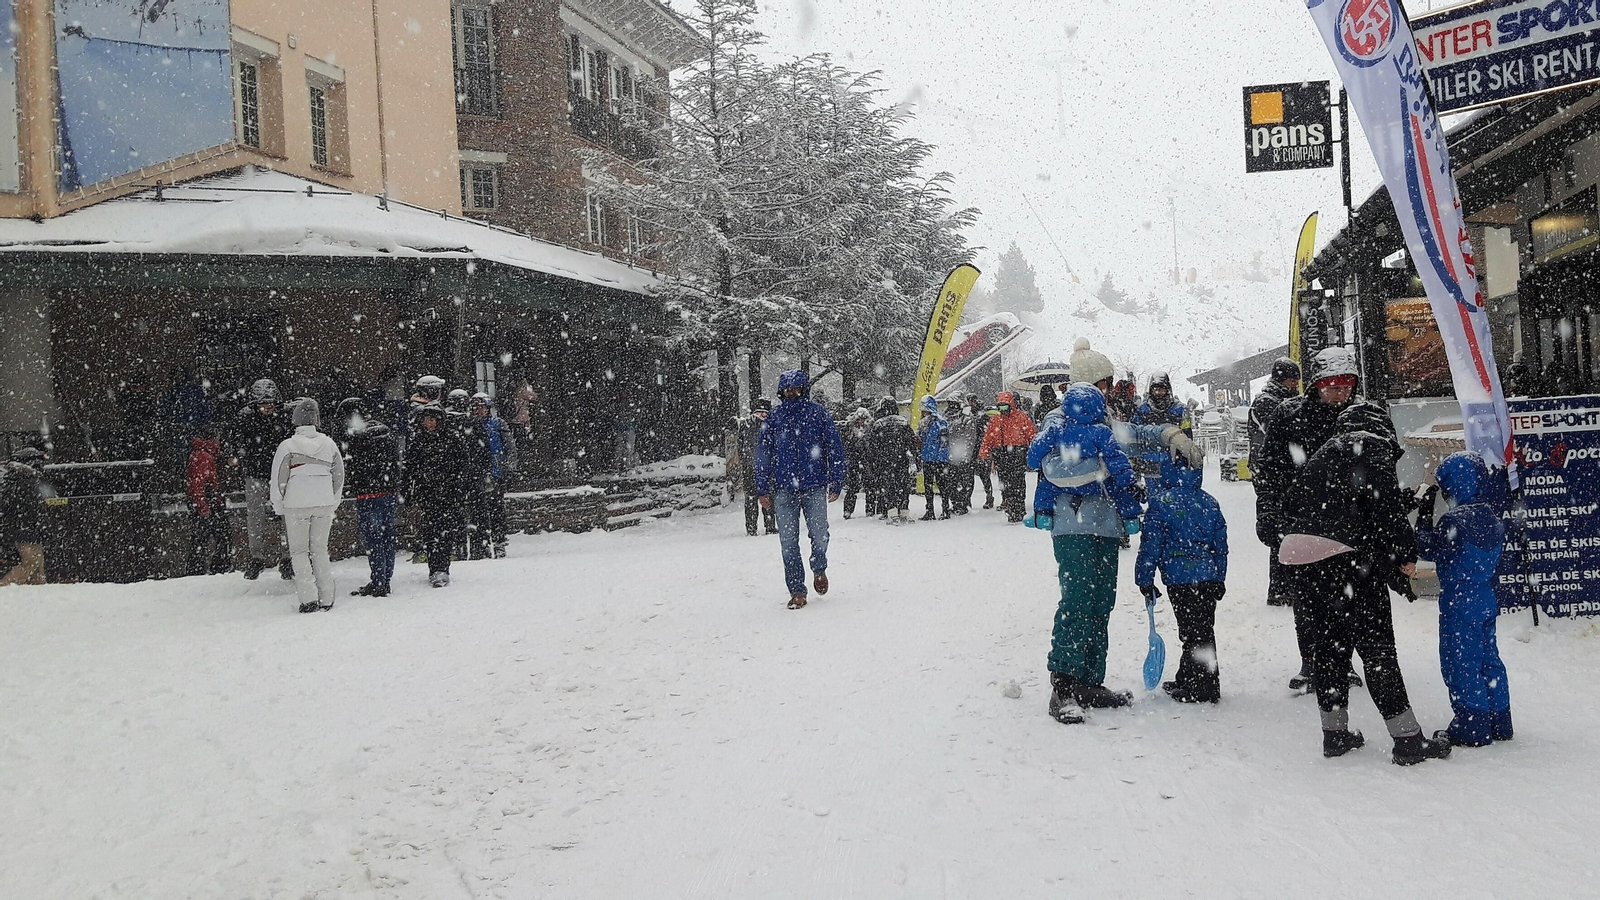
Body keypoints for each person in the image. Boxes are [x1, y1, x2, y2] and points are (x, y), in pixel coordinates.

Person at [1278, 403, 1451, 765]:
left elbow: (1349, 506)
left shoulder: (1326, 454)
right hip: (1345, 563)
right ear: (1380, 428)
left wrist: (1401, 502)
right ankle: (1407, 740)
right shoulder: (1370, 446)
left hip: (1301, 559)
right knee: (1377, 652)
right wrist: (1404, 556)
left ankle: (1335, 734)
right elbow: (1384, 514)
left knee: (1331, 648)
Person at [1254, 346, 1375, 692]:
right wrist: (1268, 510)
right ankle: (1311, 660)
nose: (1339, 393)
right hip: (1302, 522)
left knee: (1346, 598)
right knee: (1307, 599)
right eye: (1331, 385)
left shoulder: (1364, 416)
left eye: (1345, 385)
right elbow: (1270, 470)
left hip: (1351, 523)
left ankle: (1341, 660)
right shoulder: (1289, 416)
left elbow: (1380, 471)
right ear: (1316, 384)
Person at [1027, 383, 1139, 723]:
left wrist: (1129, 506)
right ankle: (1063, 684)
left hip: (1105, 527)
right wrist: (1098, 468)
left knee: (1102, 600)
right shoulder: (1055, 422)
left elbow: (1124, 467)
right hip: (1072, 524)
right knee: (1078, 598)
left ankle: (1090, 679)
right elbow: (1049, 467)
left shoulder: (1106, 426)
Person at [1416, 451, 1514, 748]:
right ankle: (1500, 720)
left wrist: (1423, 515)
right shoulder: (1490, 516)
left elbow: (1427, 549)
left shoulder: (1454, 521)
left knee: (1461, 662)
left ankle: (1471, 726)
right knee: (1488, 661)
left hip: (1460, 600)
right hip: (1485, 596)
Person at [1135, 453, 1228, 704]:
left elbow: (1151, 545)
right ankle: (1190, 676)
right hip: (1207, 577)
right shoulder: (1209, 502)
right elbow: (1220, 544)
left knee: (1192, 631)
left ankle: (1202, 686)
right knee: (1202, 628)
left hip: (1179, 579)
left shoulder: (1161, 503)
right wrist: (1220, 575)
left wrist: (1144, 578)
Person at [754, 370, 846, 609]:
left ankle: (819, 567)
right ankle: (796, 590)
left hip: (814, 485)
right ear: (781, 392)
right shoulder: (774, 419)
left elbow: (834, 446)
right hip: (784, 488)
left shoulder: (818, 414)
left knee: (819, 533)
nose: (792, 393)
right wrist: (762, 487)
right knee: (788, 541)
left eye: (796, 389)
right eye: (788, 389)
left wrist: (837, 479)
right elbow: (762, 454)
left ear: (804, 389)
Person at [271, 399, 346, 614]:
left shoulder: (287, 446)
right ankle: (327, 597)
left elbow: (279, 480)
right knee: (320, 550)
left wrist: (278, 505)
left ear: (295, 421)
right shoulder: (329, 444)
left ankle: (308, 599)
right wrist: (333, 500)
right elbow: (338, 476)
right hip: (323, 503)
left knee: (299, 552)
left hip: (296, 505)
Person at [1248, 357, 1301, 607]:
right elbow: (1282, 434)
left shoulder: (1283, 401)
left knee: (1286, 528)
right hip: (1271, 475)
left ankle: (1285, 586)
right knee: (1279, 529)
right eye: (1293, 380)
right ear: (1282, 380)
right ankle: (1280, 588)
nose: (1296, 384)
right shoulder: (1267, 403)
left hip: (1280, 473)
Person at [230, 378, 292, 581]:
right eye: (263, 405)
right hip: (256, 473)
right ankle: (256, 557)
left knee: (287, 516)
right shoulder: (245, 418)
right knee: (255, 516)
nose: (267, 408)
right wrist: (235, 453)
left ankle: (287, 557)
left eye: (270, 404)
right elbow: (234, 440)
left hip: (280, 474)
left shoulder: (283, 417)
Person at [339, 398, 401, 597]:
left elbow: (353, 466)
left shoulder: (357, 437)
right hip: (388, 492)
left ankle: (379, 581)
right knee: (387, 537)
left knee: (373, 539)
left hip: (367, 493)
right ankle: (385, 578)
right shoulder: (385, 432)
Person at [405, 403, 468, 588]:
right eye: (426, 420)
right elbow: (410, 468)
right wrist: (409, 492)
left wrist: (458, 488)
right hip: (428, 494)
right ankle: (434, 568)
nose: (429, 424)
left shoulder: (452, 440)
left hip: (448, 494)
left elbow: (463, 467)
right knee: (431, 533)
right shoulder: (419, 441)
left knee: (446, 532)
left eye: (432, 420)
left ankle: (443, 568)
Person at [467, 393, 517, 559]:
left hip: (495, 472)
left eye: (481, 407)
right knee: (477, 512)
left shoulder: (497, 424)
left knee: (496, 510)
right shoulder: (469, 425)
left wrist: (508, 467)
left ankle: (499, 542)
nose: (479, 410)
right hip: (476, 473)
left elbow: (509, 447)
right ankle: (481, 544)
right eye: (476, 407)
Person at [979, 391, 1036, 523]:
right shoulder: (996, 420)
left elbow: (1031, 435)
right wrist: (984, 452)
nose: (1002, 410)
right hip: (1002, 453)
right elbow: (988, 438)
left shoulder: (1021, 417)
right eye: (1000, 408)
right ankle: (1010, 506)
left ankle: (1019, 507)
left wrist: (1033, 450)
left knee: (1018, 482)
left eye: (1005, 407)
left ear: (1011, 404)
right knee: (1005, 482)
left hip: (1017, 453)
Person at [185, 427, 232, 575]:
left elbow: (195, 484)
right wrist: (204, 504)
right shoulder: (205, 457)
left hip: (204, 500)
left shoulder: (199, 455)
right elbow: (198, 484)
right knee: (221, 535)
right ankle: (218, 567)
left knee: (201, 537)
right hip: (208, 499)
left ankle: (197, 569)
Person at [1132, 371, 1191, 488]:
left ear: (1168, 390)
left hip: (1174, 461)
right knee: (1154, 498)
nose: (1158, 393)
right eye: (1155, 390)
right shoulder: (1142, 410)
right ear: (1151, 390)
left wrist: (1187, 455)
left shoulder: (1180, 409)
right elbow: (1135, 435)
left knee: (1174, 497)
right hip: (1150, 463)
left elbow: (1187, 434)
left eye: (1162, 389)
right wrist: (1136, 460)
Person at [0, 447, 48, 586]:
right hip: (25, 529)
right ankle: (4, 585)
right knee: (31, 563)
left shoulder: (22, 479)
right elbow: (30, 508)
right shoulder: (23, 480)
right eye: (38, 460)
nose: (41, 464)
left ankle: (39, 593)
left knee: (38, 569)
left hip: (27, 528)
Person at [867, 397, 917, 524]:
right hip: (902, 458)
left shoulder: (878, 424)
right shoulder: (903, 422)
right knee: (903, 485)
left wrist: (873, 462)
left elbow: (872, 446)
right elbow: (912, 442)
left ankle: (892, 511)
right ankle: (904, 511)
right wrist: (914, 457)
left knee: (889, 486)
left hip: (885, 461)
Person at [734, 399, 777, 535]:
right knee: (768, 494)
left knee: (751, 497)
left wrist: (744, 459)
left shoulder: (746, 423)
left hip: (749, 465)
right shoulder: (771, 422)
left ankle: (751, 527)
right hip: (767, 465)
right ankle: (770, 525)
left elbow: (740, 445)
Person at [916, 395, 951, 521]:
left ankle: (945, 509)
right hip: (928, 458)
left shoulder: (940, 422)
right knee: (928, 486)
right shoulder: (923, 424)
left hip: (938, 460)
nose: (923, 412)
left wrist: (940, 458)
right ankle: (930, 510)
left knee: (942, 485)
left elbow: (944, 443)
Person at [944, 399, 976, 516]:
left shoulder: (966, 418)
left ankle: (963, 503)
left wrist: (966, 456)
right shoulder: (946, 417)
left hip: (961, 455)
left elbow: (970, 438)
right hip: (951, 455)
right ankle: (957, 503)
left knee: (965, 482)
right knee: (952, 482)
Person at [840, 406, 873, 519]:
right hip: (854, 459)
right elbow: (845, 444)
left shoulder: (870, 429)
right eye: (860, 419)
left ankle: (870, 509)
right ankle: (848, 510)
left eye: (863, 419)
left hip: (866, 459)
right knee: (852, 485)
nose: (861, 421)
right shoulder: (849, 429)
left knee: (869, 485)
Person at [966, 393, 996, 509]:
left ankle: (989, 497)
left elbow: (986, 432)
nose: (970, 403)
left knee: (983, 475)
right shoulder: (969, 414)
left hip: (980, 448)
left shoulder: (982, 415)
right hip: (973, 449)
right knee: (970, 477)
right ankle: (968, 499)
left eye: (971, 400)